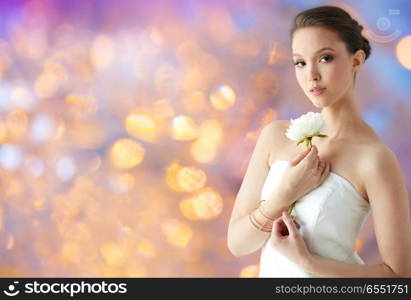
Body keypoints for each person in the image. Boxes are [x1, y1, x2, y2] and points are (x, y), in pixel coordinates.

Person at [227, 5, 411, 277]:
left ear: (356, 60)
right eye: (300, 62)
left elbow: (398, 277)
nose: (311, 74)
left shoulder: (374, 158)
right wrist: (284, 194)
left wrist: (309, 262)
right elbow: (238, 244)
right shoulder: (277, 136)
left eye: (325, 58)